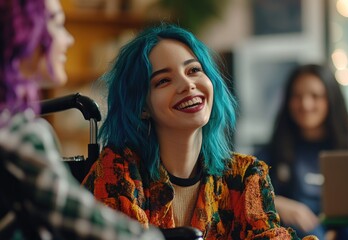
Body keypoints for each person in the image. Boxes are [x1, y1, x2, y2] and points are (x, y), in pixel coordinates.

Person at [81, 23, 318, 240]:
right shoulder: (119, 170)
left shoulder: (244, 176)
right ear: (142, 106)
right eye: (163, 81)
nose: (187, 84)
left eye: (193, 70)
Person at [0, 0, 165, 239]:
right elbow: (81, 220)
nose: (69, 40)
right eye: (56, 24)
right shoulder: (19, 132)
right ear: (21, 32)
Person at [254, 63, 348, 239]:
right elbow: (243, 190)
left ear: (331, 99)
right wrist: (277, 202)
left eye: (315, 96)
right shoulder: (272, 151)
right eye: (297, 96)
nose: (305, 104)